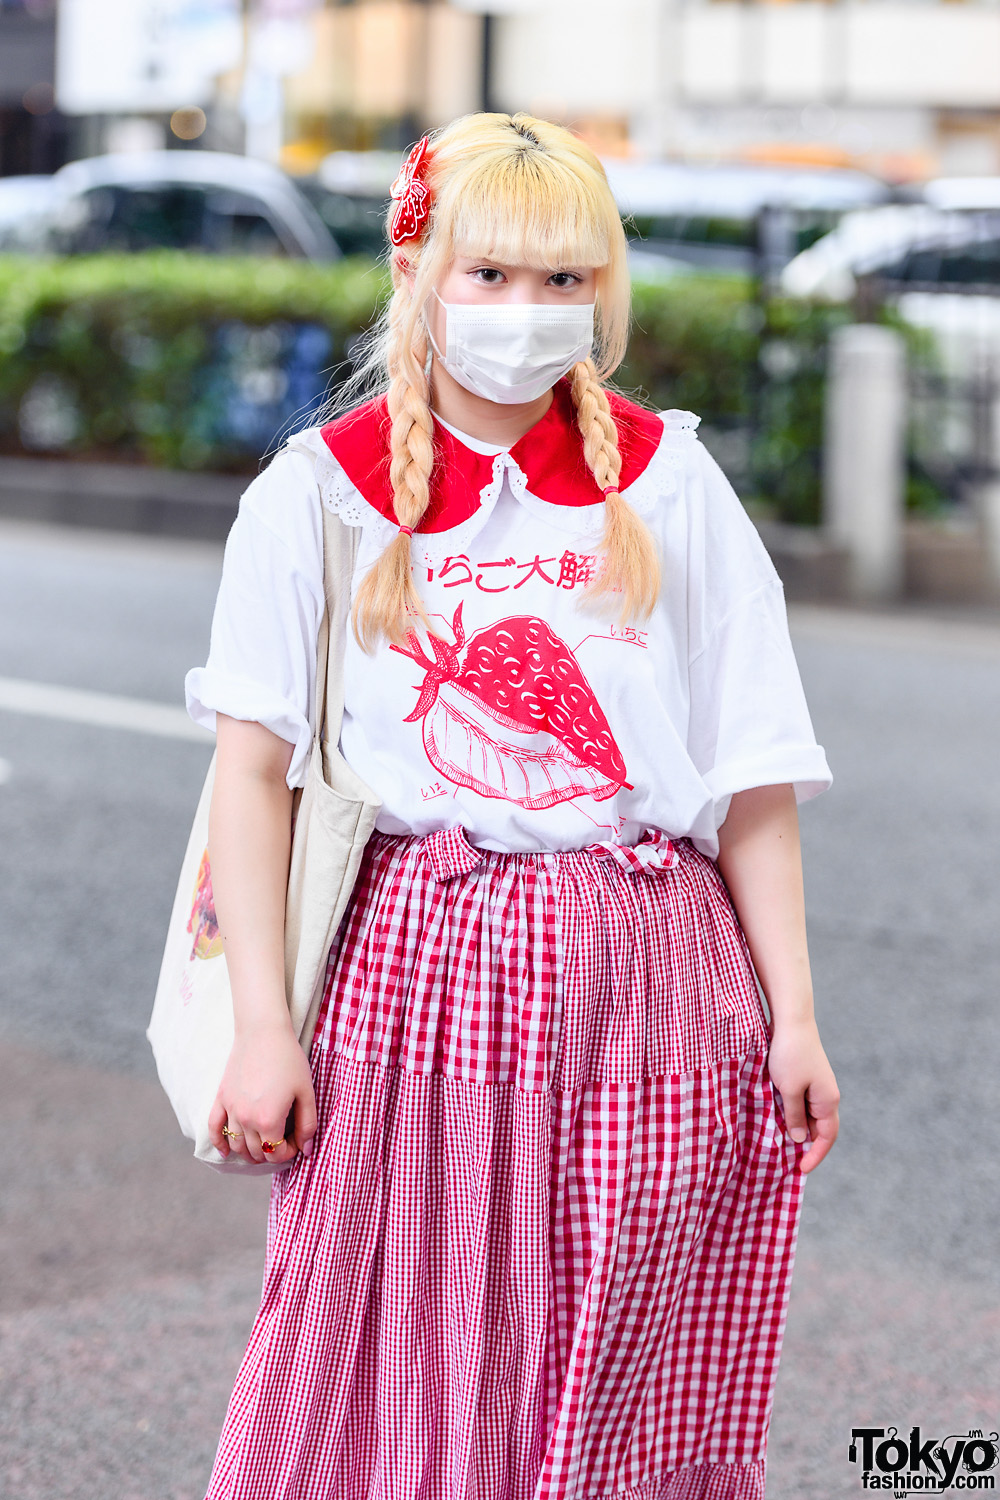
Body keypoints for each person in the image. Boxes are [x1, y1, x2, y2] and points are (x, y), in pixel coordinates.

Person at [185, 112, 839, 1500]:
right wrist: (260, 1031)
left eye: (566, 280)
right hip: (419, 974)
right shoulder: (318, 497)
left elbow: (753, 775)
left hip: (653, 974)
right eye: (490, 275)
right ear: (416, 272)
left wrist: (793, 1013)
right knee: (397, 1338)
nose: (529, 312)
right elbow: (251, 777)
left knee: (621, 1357)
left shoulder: (669, 481)